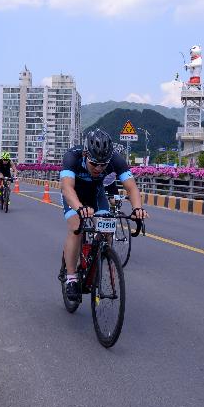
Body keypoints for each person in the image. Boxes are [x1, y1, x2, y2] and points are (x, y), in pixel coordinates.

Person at [60, 128, 148, 302]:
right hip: (75, 195)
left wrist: (137, 209)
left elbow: (132, 187)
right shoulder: (72, 156)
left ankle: (100, 259)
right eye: (94, 163)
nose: (99, 168)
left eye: (103, 165)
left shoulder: (116, 159)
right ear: (86, 154)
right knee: (76, 225)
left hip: (97, 194)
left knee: (106, 226)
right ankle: (71, 277)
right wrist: (79, 207)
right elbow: (67, 187)